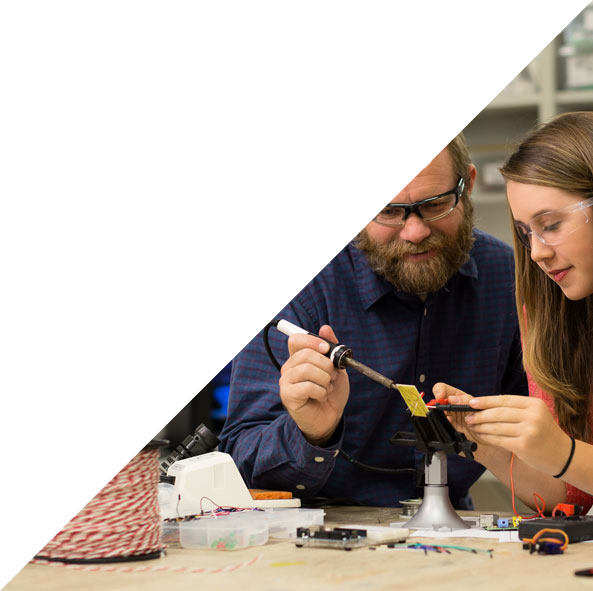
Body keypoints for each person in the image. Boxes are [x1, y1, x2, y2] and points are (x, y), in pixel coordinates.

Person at [218, 134, 527, 509]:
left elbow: (541, 438)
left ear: (469, 184)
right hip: (319, 538)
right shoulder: (302, 288)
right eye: (389, 210)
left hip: (455, 532)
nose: (415, 232)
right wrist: (311, 434)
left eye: (436, 205)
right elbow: (237, 461)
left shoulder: (509, 278)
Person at [434, 111, 593, 514]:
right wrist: (486, 441)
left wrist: (563, 452)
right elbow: (571, 496)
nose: (536, 251)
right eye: (525, 232)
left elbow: (572, 463)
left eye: (552, 224)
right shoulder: (554, 311)